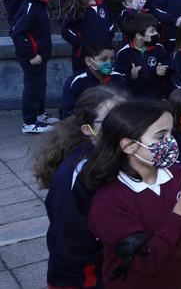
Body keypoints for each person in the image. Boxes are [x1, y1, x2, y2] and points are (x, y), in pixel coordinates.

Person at [84, 99, 181, 288]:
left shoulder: (179, 175)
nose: (170, 142)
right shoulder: (108, 202)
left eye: (171, 133)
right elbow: (147, 261)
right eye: (161, 137)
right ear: (128, 146)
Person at [36, 86, 127, 288]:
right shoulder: (83, 170)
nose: (120, 126)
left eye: (123, 117)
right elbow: (71, 237)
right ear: (88, 130)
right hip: (82, 275)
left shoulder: (105, 156)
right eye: (109, 121)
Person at [10, 0, 56, 132]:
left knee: (40, 84)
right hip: (32, 57)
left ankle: (39, 114)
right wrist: (31, 54)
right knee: (32, 87)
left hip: (40, 56)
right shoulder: (30, 9)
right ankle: (29, 122)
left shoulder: (39, 5)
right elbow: (16, 33)